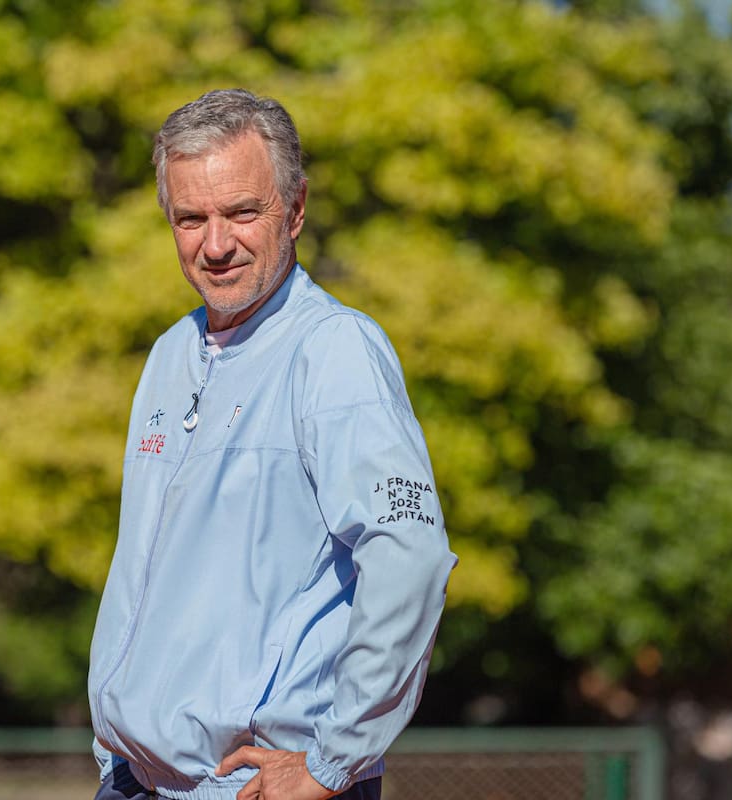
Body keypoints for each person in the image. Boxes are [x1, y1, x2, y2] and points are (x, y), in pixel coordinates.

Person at [87, 88, 458, 800]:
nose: (215, 243)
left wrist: (332, 763)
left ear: (295, 208)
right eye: (190, 218)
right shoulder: (170, 355)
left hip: (258, 790)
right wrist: (115, 748)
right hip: (137, 784)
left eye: (242, 212)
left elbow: (408, 558)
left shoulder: (334, 350)